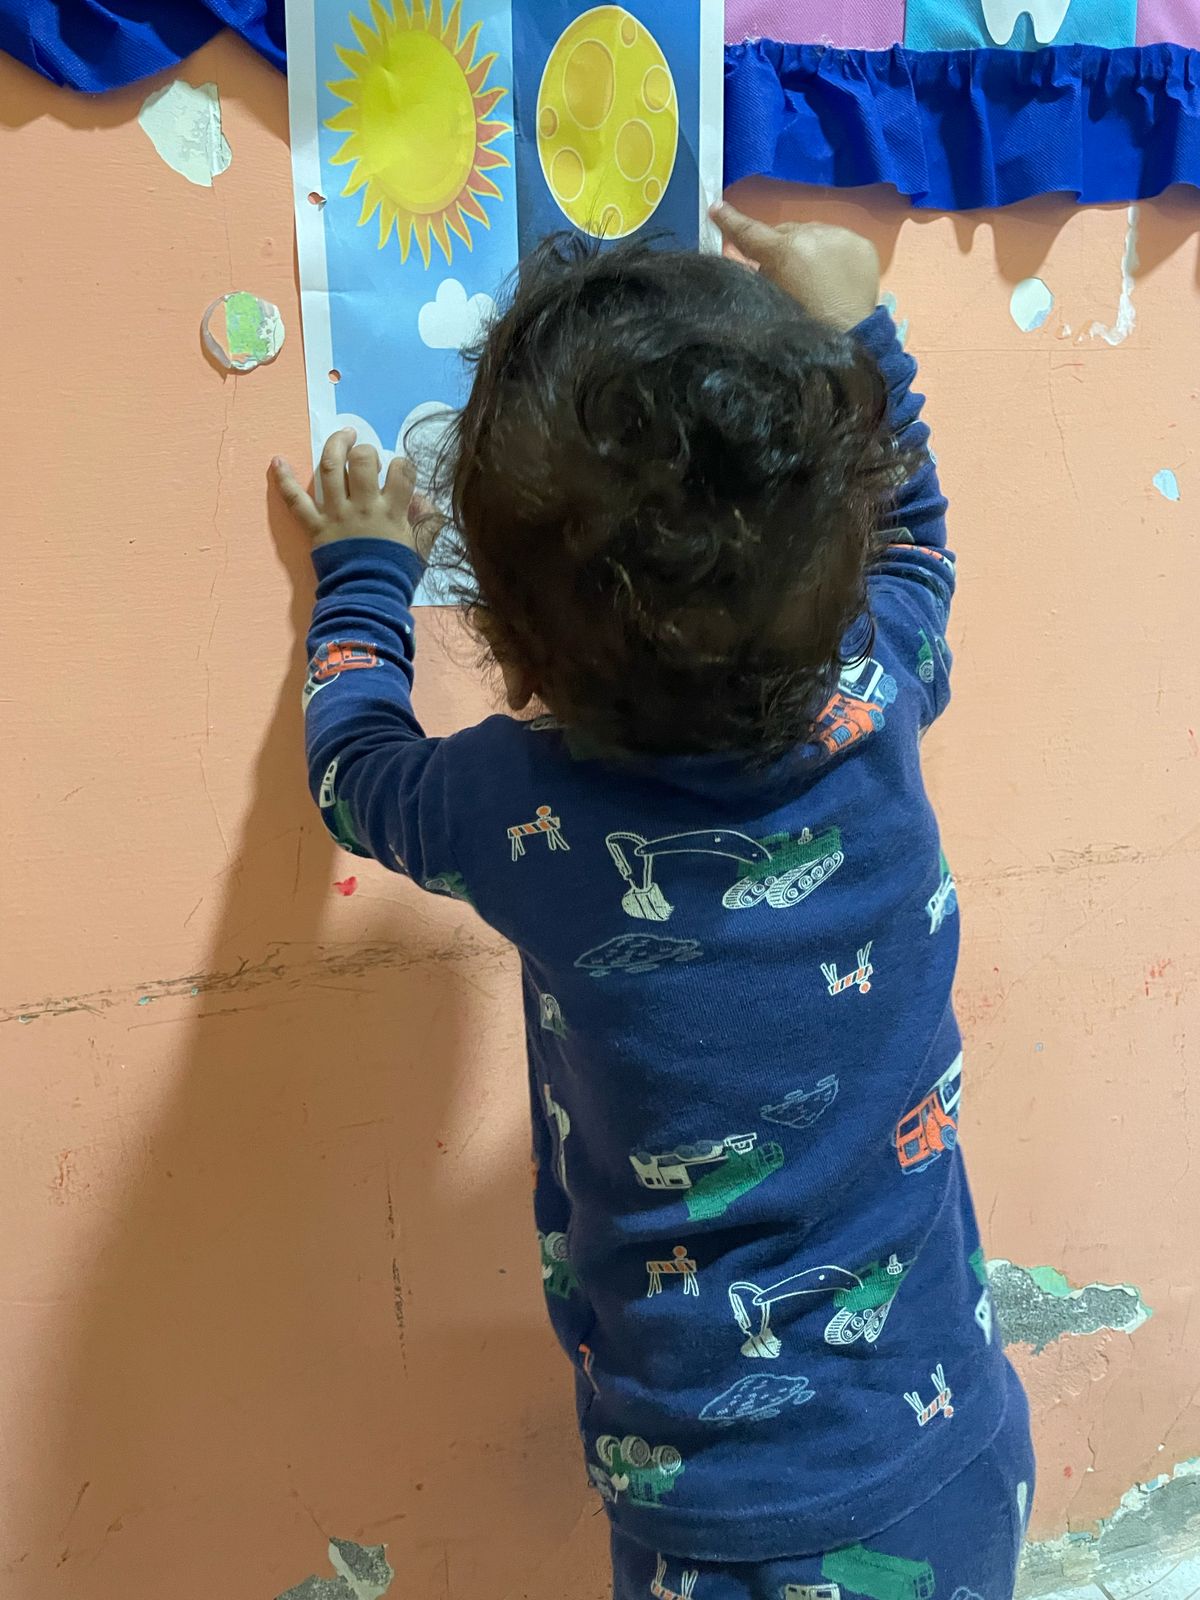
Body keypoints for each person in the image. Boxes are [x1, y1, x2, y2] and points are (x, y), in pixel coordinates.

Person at [272, 202, 1035, 1600]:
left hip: (723, 1526)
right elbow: (919, 541)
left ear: (510, 647)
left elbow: (354, 771)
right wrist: (864, 330)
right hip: (960, 1453)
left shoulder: (518, 808)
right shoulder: (879, 685)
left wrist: (366, 571)